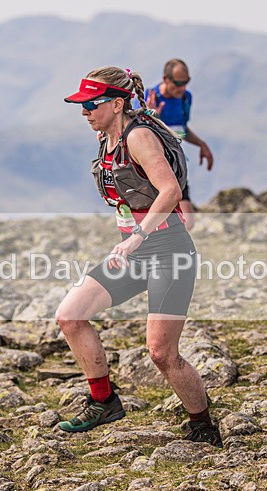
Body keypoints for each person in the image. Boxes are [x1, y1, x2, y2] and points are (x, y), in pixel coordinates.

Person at [57, 66, 222, 446]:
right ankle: (104, 403)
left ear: (117, 104)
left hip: (168, 251)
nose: (84, 113)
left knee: (162, 354)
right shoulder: (106, 138)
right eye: (81, 106)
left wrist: (137, 237)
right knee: (70, 316)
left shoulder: (140, 136)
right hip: (135, 253)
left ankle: (203, 426)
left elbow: (170, 191)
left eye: (90, 105)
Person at [145, 58, 213, 230]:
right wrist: (150, 116)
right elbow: (139, 135)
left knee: (188, 222)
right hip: (154, 169)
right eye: (178, 83)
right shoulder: (149, 97)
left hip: (177, 166)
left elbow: (181, 129)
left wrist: (201, 144)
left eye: (186, 82)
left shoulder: (185, 98)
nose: (182, 88)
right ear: (165, 79)